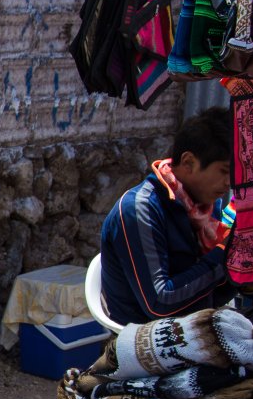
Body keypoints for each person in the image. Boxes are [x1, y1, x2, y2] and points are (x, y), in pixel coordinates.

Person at [99, 107, 237, 326]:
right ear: (189, 162)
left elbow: (210, 292)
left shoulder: (206, 207)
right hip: (143, 341)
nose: (230, 181)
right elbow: (159, 302)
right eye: (224, 171)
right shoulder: (140, 209)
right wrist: (224, 253)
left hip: (193, 328)